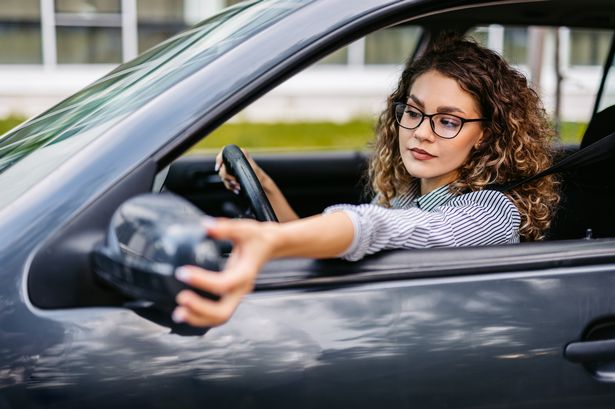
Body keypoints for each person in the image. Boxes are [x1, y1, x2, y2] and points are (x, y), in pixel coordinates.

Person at [171, 34, 559, 327]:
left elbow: (379, 228)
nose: (421, 133)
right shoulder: (407, 194)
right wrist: (267, 190)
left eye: (448, 121)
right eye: (413, 111)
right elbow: (330, 245)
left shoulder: (490, 214)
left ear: (486, 135)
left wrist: (270, 242)